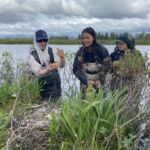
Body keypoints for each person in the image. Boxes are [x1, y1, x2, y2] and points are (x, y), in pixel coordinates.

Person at [73, 27, 110, 96]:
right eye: (83, 38)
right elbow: (76, 69)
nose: (85, 40)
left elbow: (107, 67)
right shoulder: (80, 52)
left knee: (101, 102)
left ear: (93, 38)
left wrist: (100, 80)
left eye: (88, 38)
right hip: (85, 84)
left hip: (99, 83)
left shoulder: (102, 50)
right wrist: (86, 81)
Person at [28, 29, 65, 100]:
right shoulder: (32, 56)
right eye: (40, 40)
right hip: (43, 90)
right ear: (36, 41)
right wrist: (48, 69)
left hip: (56, 87)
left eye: (44, 40)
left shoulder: (52, 50)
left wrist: (62, 58)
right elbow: (38, 73)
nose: (42, 43)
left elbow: (61, 65)